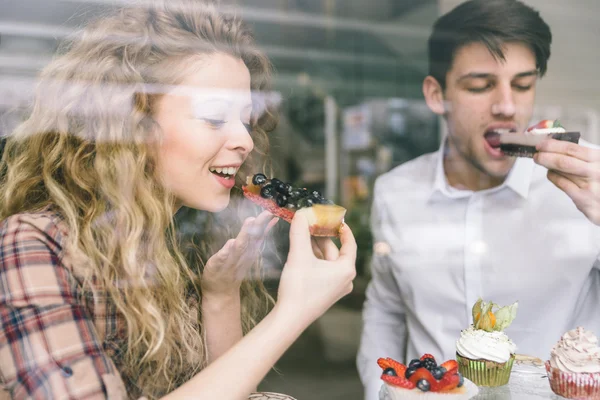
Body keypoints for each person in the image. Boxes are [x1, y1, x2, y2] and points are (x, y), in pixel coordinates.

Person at [0, 1, 357, 399]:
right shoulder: (33, 245)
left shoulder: (180, 242)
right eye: (215, 117)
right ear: (131, 124)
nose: (245, 139)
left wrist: (220, 295)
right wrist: (292, 312)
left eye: (247, 119)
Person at [357, 0, 600, 398]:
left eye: (522, 85)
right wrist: (379, 391)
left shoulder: (587, 181)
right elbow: (387, 308)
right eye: (480, 85)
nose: (507, 106)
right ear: (437, 96)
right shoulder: (395, 193)